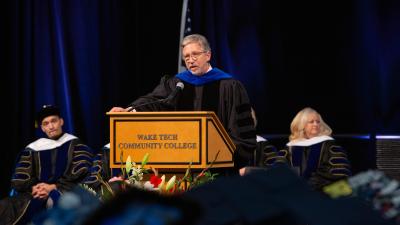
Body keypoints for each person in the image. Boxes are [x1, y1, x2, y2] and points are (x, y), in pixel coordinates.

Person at [110, 34, 256, 170]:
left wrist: (230, 155)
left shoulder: (230, 86)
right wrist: (129, 110)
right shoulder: (177, 83)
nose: (190, 60)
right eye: (186, 57)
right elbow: (154, 100)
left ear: (208, 55)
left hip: (219, 167)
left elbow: (240, 130)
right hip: (182, 164)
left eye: (195, 55)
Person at [0, 105, 94, 225]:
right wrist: (35, 188)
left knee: (55, 202)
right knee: (4, 206)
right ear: (42, 128)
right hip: (34, 194)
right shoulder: (32, 149)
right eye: (46, 123)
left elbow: (83, 172)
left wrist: (54, 187)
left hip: (66, 190)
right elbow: (19, 178)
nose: (51, 126)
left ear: (61, 121)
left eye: (54, 121)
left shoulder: (76, 145)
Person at [276, 107, 352, 191]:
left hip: (322, 195)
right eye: (311, 122)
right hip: (294, 195)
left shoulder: (330, 146)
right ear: (302, 125)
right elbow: (279, 172)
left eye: (318, 122)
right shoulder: (289, 148)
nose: (315, 124)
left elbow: (338, 172)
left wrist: (310, 186)